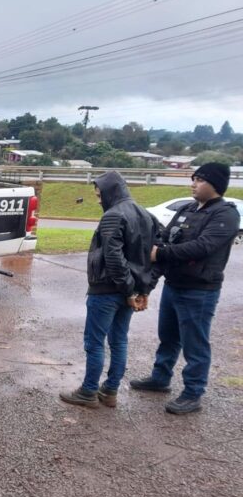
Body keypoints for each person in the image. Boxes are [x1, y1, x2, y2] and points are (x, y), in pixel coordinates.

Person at [131, 163, 240, 414]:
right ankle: (160, 378)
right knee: (168, 337)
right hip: (174, 284)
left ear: (215, 185)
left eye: (200, 180)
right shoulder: (186, 209)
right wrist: (148, 284)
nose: (193, 184)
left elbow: (202, 247)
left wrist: (161, 254)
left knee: (195, 344)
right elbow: (164, 242)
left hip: (199, 290)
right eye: (193, 179)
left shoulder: (225, 214)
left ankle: (193, 393)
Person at [59, 171, 159, 409]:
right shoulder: (147, 215)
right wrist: (142, 289)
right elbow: (156, 257)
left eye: (99, 194)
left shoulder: (113, 216)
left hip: (107, 291)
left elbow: (113, 257)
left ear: (110, 192)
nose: (98, 200)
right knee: (119, 340)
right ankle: (110, 390)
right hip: (130, 291)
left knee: (94, 342)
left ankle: (89, 391)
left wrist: (128, 291)